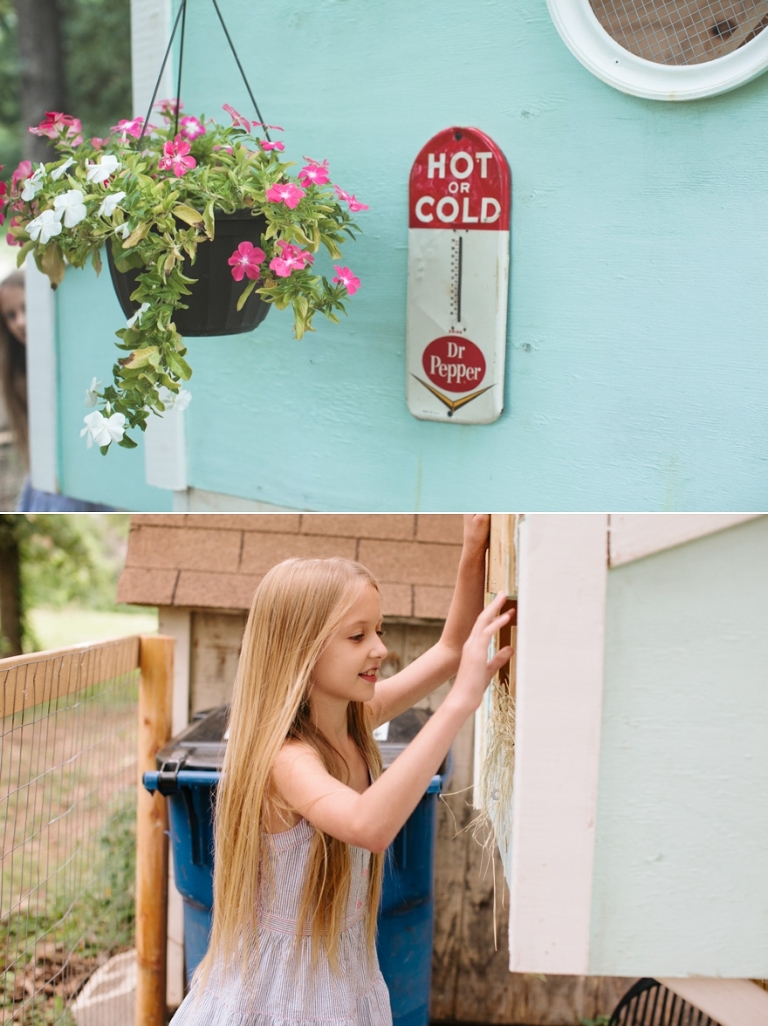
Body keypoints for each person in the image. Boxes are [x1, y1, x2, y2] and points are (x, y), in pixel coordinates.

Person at [170, 515, 514, 1026]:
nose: (379, 647)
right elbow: (368, 826)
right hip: (278, 1004)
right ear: (301, 653)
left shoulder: (355, 721)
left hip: (338, 986)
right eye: (357, 636)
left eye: (378, 630)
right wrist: (460, 703)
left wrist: (472, 551)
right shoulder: (287, 761)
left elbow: (447, 650)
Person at [0, 269, 111, 511]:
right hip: (49, 486)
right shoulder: (18, 375)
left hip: (88, 480)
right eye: (11, 315)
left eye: (26, 308)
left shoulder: (78, 357)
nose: (19, 321)